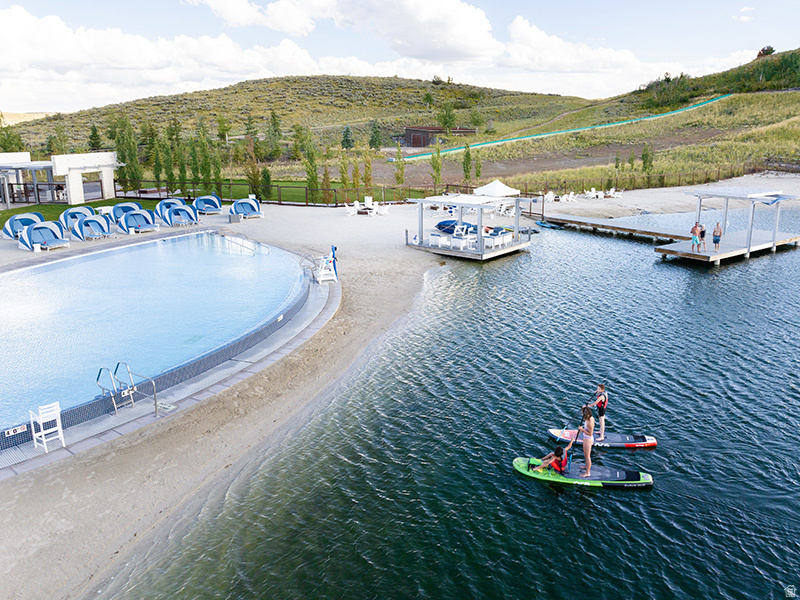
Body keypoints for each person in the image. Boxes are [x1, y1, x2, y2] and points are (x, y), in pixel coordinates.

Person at [578, 405, 595, 477]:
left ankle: (588, 472)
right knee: (585, 455)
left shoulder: (589, 422)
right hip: (585, 438)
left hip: (588, 439)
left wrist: (582, 430)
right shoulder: (587, 418)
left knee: (587, 456)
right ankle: (586, 466)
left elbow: (590, 433)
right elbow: (583, 406)